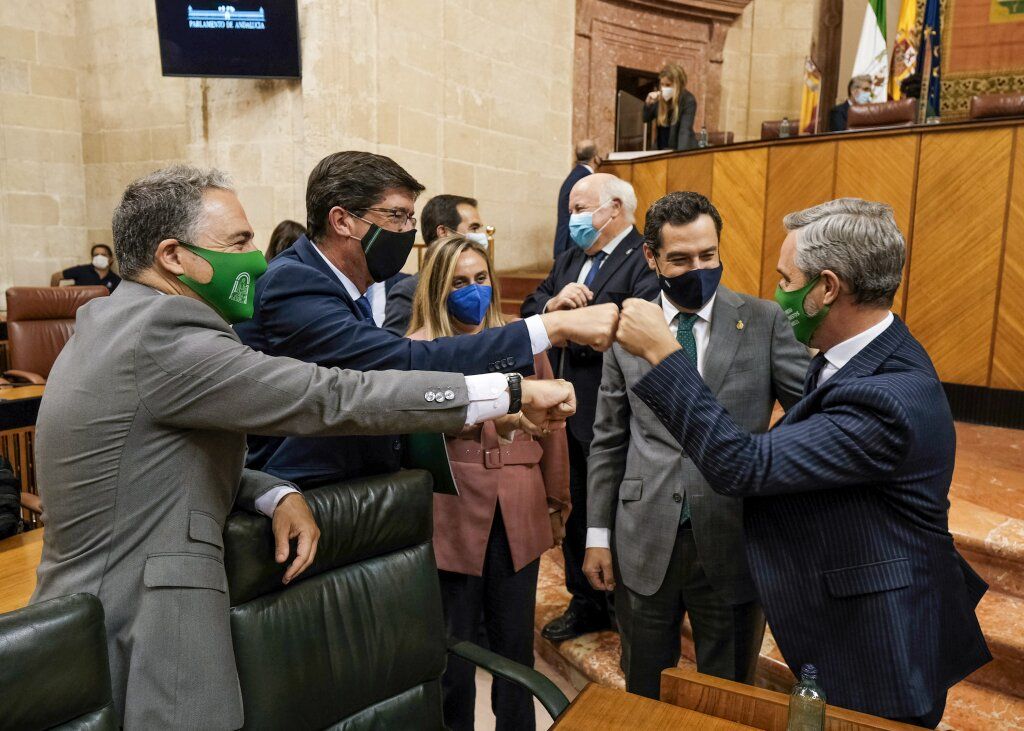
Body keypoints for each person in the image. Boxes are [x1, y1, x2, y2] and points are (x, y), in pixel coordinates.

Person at [30, 165, 578, 729]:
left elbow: (161, 458)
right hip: (141, 620)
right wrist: (509, 389)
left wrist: (272, 494)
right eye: (239, 241)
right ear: (173, 255)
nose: (256, 259)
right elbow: (329, 395)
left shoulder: (119, 320)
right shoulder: (164, 333)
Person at [614, 198, 991, 727]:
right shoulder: (858, 357)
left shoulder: (887, 397)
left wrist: (665, 356)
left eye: (786, 279)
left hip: (881, 639)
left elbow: (741, 465)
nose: (777, 293)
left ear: (827, 288)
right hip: (846, 611)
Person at [236, 151, 618, 487]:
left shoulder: (338, 284)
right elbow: (400, 368)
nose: (408, 231)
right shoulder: (295, 282)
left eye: (410, 217)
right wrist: (549, 329)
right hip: (303, 493)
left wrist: (507, 413)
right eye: (397, 216)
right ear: (342, 220)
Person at [582, 192, 808, 699]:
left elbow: (811, 413)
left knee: (727, 693)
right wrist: (598, 533)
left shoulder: (765, 320)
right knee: (644, 686)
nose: (698, 268)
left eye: (708, 255)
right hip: (644, 537)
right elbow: (609, 437)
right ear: (652, 257)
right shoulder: (627, 327)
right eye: (681, 259)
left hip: (732, 535)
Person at [407, 234, 570, 731]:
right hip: (452, 511)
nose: (472, 291)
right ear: (437, 288)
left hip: (519, 508)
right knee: (453, 647)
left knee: (515, 645)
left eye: (480, 279)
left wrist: (557, 501)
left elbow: (556, 434)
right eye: (459, 282)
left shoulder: (520, 338)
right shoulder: (418, 350)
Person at [521, 173, 660, 642]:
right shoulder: (569, 258)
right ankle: (584, 601)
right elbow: (530, 305)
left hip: (611, 405)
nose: (572, 217)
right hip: (565, 403)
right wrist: (556, 308)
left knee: (614, 505)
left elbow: (637, 325)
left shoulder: (642, 258)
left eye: (580, 208)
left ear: (614, 209)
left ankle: (622, 604)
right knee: (578, 506)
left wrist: (571, 327)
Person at [383, 193, 487, 334]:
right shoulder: (409, 291)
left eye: (481, 278)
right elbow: (397, 350)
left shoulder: (483, 285)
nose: (481, 236)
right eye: (473, 228)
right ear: (443, 232)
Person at [553, 141, 600, 259]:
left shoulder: (575, 174)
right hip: (572, 244)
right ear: (595, 158)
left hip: (565, 242)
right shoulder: (586, 178)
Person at [643, 64, 698, 152]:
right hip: (661, 150)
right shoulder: (660, 98)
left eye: (668, 85)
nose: (664, 88)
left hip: (680, 150)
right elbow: (645, 118)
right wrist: (648, 104)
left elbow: (684, 131)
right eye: (662, 84)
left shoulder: (688, 100)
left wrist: (679, 157)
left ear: (678, 85)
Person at [50, 243, 121, 291]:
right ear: (92, 258)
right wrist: (54, 298)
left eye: (103, 255)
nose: (99, 257)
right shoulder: (81, 270)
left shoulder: (116, 279)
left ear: (111, 259)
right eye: (96, 255)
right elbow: (56, 276)